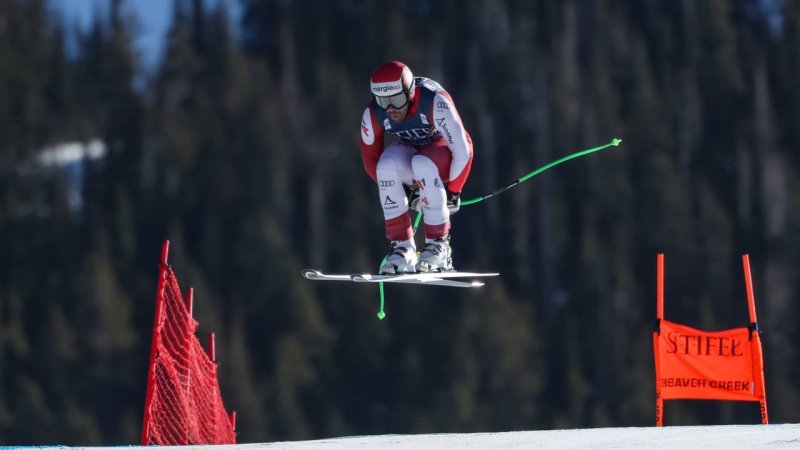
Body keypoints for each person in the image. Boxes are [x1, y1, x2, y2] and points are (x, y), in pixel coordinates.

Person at [360, 61, 474, 274]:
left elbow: (463, 150)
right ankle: (403, 248)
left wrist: (453, 192)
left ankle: (439, 246)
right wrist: (405, 191)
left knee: (422, 163)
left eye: (397, 99)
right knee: (385, 167)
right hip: (414, 152)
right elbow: (370, 161)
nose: (391, 107)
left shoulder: (434, 103)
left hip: (445, 155)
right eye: (382, 100)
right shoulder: (374, 114)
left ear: (410, 92)